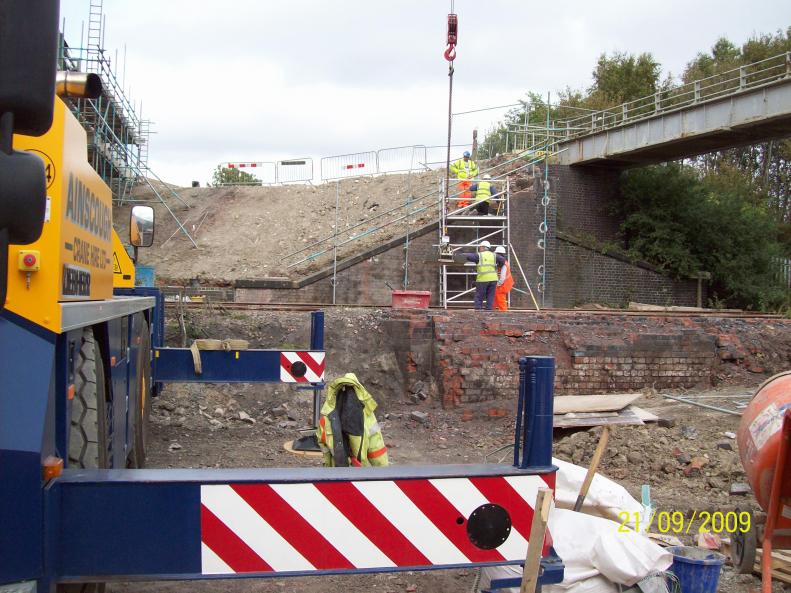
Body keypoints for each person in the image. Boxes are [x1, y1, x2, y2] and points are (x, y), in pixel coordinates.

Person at [464, 240, 506, 310]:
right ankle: (489, 310)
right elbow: (502, 260)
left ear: (483, 247)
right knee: (490, 296)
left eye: (480, 247)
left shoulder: (479, 255)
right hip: (493, 280)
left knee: (479, 296)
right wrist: (499, 266)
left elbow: (469, 256)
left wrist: (458, 255)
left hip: (483, 279)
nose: (479, 249)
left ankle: (478, 310)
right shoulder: (494, 255)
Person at [493, 245, 514, 311]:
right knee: (495, 295)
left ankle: (503, 312)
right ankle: (494, 309)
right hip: (505, 283)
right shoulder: (502, 262)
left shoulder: (503, 264)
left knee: (500, 297)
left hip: (504, 284)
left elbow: (502, 277)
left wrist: (497, 284)